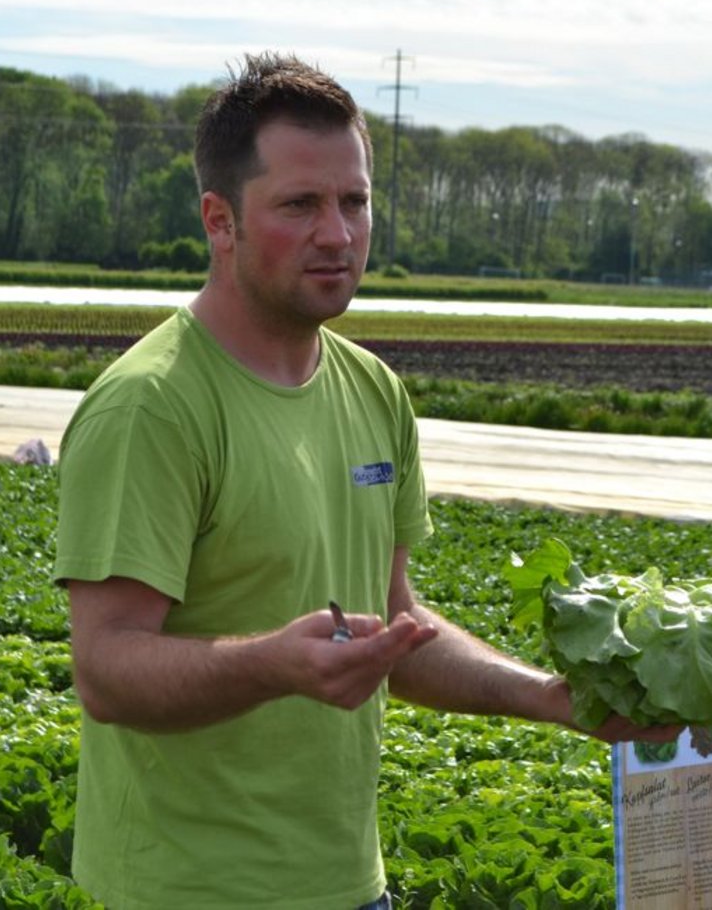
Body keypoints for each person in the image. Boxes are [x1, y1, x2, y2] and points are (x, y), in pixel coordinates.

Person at [53, 51, 678, 910]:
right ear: (220, 221)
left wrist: (556, 699)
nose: (338, 235)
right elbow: (108, 670)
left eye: (354, 201)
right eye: (300, 204)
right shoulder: (152, 406)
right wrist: (274, 664)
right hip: (185, 892)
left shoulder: (374, 391)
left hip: (351, 887)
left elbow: (397, 625)